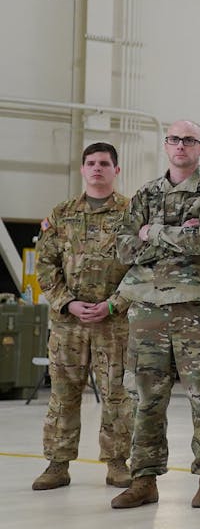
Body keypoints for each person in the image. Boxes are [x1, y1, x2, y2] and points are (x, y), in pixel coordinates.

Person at [111, 121, 200, 509]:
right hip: (148, 309)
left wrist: (152, 232)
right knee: (144, 396)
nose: (180, 146)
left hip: (197, 308)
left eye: (189, 140)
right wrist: (176, 232)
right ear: (165, 145)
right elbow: (123, 248)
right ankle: (144, 478)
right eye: (174, 139)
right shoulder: (146, 192)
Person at [32, 142, 136, 492]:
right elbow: (44, 265)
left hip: (114, 324)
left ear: (116, 170)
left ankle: (118, 463)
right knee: (63, 394)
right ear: (82, 169)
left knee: (117, 395)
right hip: (68, 324)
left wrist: (114, 304)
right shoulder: (61, 214)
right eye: (90, 163)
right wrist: (67, 302)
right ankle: (57, 464)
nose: (97, 169)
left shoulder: (132, 214)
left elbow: (143, 269)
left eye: (104, 163)